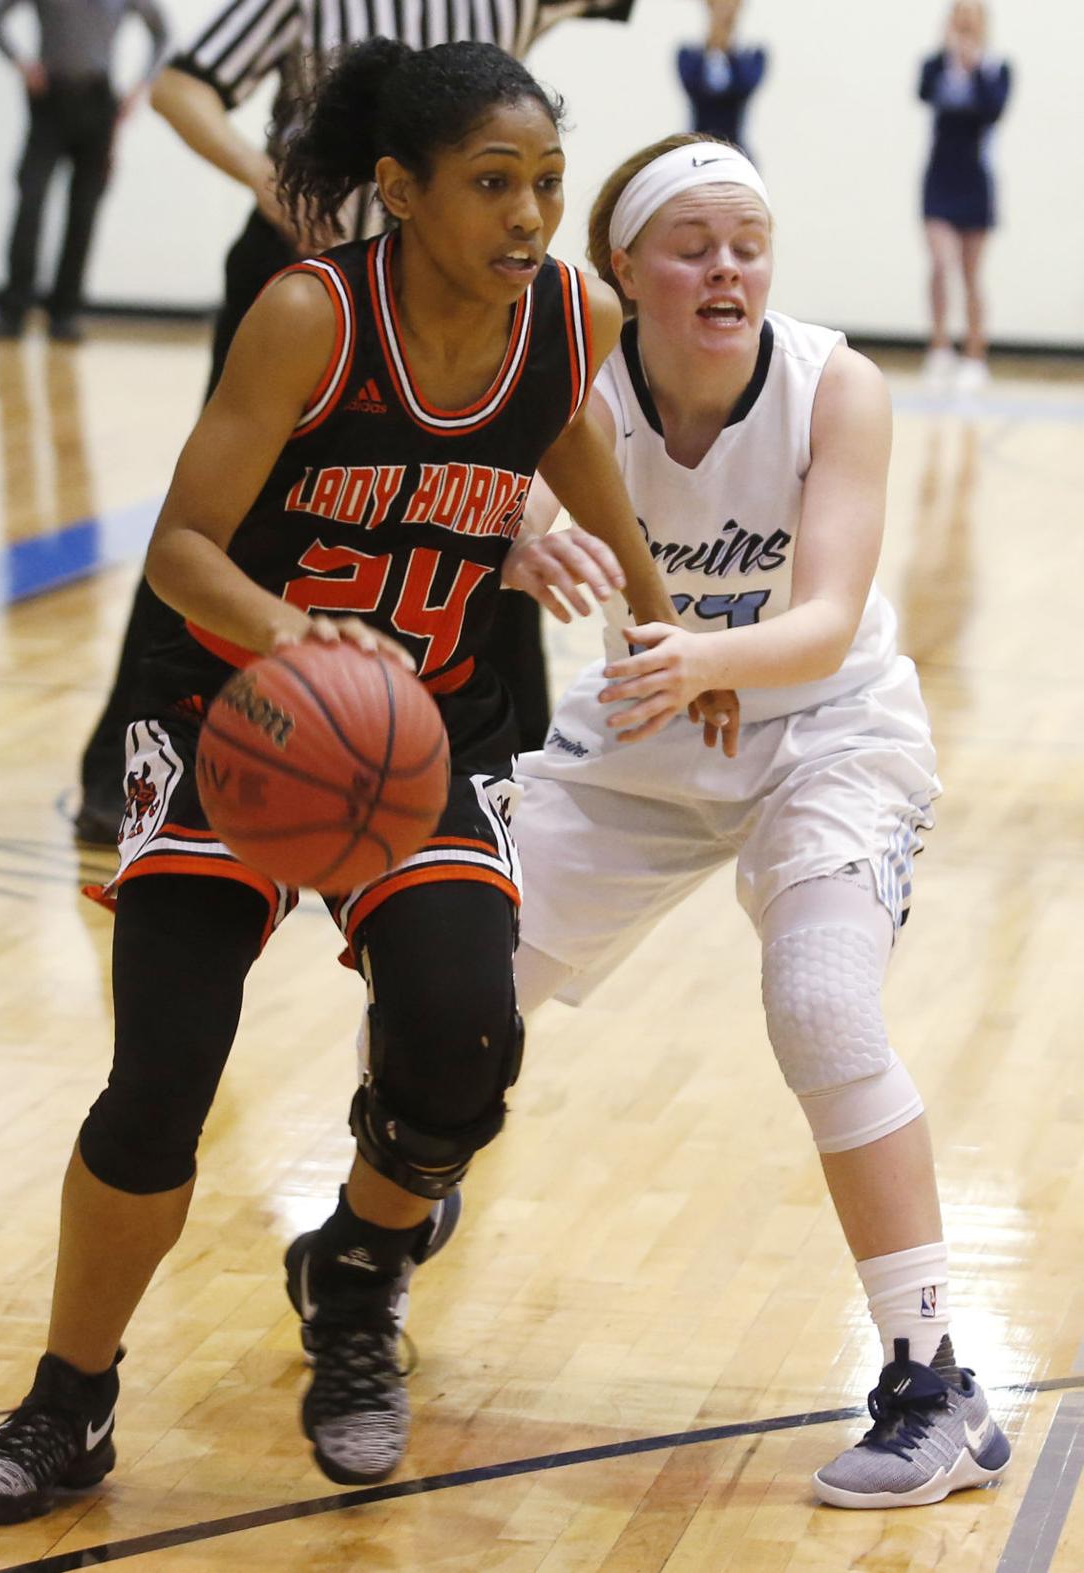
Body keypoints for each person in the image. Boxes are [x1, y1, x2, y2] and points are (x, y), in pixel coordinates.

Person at [0, 39, 683, 1523]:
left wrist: (657, 620)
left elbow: (578, 444)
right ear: (399, 191)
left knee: (465, 1041)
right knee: (160, 1084)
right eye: (492, 184)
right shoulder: (307, 317)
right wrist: (291, 635)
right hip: (231, 715)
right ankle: (68, 1403)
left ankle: (351, 1277)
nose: (530, 213)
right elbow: (181, 549)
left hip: (429, 730)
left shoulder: (573, 316)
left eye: (544, 180)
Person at [511, 133, 1012, 1509]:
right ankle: (393, 1203)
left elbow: (830, 616)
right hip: (650, 732)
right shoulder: (582, 387)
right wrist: (520, 544)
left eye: (749, 241)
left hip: (828, 735)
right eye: (694, 243)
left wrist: (703, 656)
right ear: (626, 268)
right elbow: (507, 511)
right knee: (446, 989)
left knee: (822, 1002)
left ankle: (933, 1383)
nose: (728, 265)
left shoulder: (831, 384)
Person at [73, 0, 640, 845]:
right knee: (227, 531)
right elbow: (181, 90)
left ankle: (497, 792)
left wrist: (660, 623)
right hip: (324, 290)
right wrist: (266, 180)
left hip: (486, 301)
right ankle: (134, 771)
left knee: (481, 537)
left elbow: (564, 442)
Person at [0, 0, 170, 344]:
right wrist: (20, 63)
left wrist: (142, 85)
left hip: (98, 102)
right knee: (30, 203)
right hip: (50, 100)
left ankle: (64, 314)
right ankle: (13, 310)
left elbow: (161, 32)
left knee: (84, 211)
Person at [919, 2, 1012, 395]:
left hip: (975, 178)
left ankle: (975, 354)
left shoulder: (996, 69)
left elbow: (994, 108)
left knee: (972, 272)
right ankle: (940, 346)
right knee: (941, 262)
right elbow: (923, 92)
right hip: (941, 176)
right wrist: (949, 57)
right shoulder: (937, 66)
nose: (966, 24)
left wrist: (973, 66)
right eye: (960, 17)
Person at [676, 0, 766, 157]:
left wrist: (727, 47)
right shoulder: (688, 55)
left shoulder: (753, 56)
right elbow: (696, 89)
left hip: (737, 151)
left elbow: (742, 87)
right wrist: (713, 43)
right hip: (697, 150)